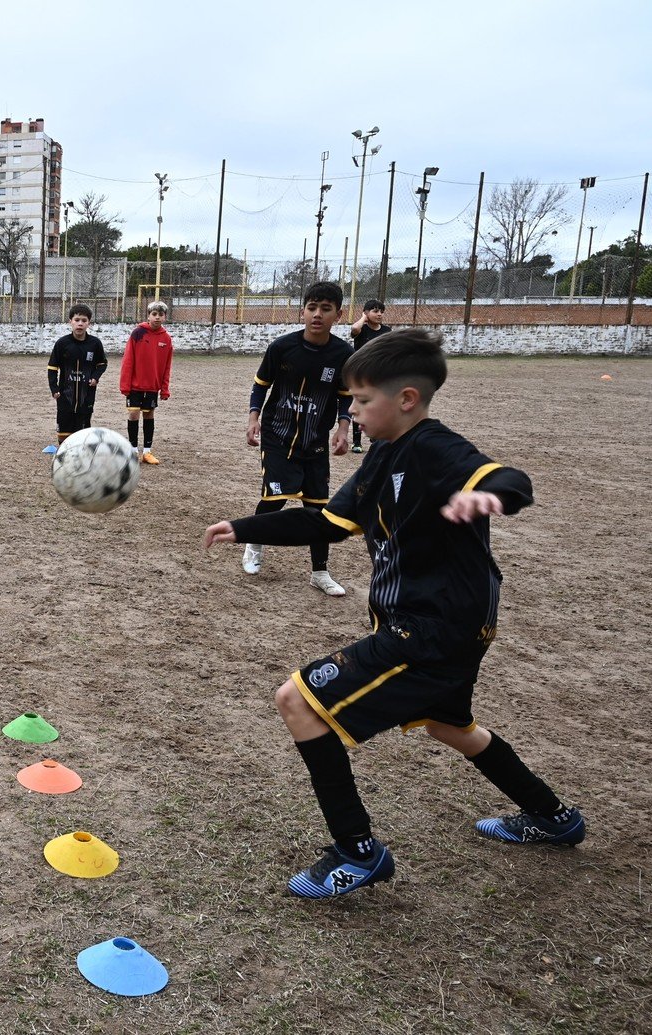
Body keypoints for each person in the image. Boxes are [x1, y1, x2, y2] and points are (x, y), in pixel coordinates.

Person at [204, 327, 584, 898]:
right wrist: (245, 527)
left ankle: (358, 852)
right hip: (449, 627)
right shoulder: (384, 454)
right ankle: (554, 817)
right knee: (450, 726)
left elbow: (511, 479)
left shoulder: (435, 447)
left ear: (406, 398)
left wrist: (491, 498)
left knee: (297, 701)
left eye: (361, 400)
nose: (351, 411)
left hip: (430, 631)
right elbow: (329, 523)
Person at [242, 281, 353, 596]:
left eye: (326, 309)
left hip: (315, 443)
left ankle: (320, 572)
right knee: (275, 499)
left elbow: (346, 396)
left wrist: (343, 429)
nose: (318, 315)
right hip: (278, 436)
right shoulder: (282, 347)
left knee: (318, 510)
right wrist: (254, 419)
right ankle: (254, 543)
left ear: (338, 314)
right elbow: (261, 385)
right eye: (312, 307)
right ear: (303, 311)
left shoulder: (343, 354)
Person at [118, 300, 173, 465]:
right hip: (135, 386)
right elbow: (128, 360)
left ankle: (147, 452)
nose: (157, 318)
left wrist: (164, 388)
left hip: (152, 386)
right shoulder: (137, 334)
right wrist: (125, 385)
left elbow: (167, 366)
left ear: (164, 317)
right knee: (134, 414)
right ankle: (133, 450)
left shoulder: (166, 339)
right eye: (154, 314)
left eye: (160, 315)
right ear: (148, 316)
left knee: (149, 414)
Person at [47, 304, 107, 451]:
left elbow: (102, 363)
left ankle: (83, 453)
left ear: (89, 323)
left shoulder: (95, 344)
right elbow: (52, 368)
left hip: (86, 394)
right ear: (70, 322)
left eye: (84, 320)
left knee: (84, 424)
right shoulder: (62, 343)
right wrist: (54, 388)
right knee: (64, 424)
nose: (80, 323)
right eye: (77, 320)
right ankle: (63, 452)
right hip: (65, 393)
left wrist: (95, 377)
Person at [347, 299, 391, 453]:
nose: (379, 314)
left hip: (379, 375)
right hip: (361, 374)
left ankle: (375, 436)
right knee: (360, 406)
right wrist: (363, 318)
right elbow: (354, 329)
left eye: (381, 311)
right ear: (366, 313)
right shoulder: (362, 330)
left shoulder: (387, 331)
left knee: (378, 406)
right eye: (375, 311)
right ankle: (357, 442)